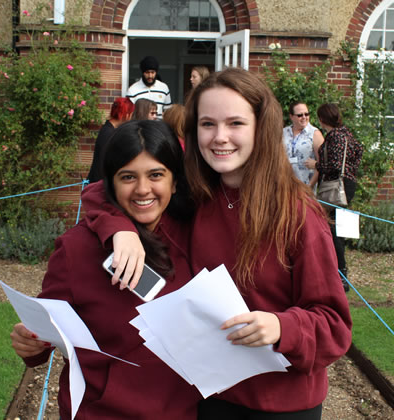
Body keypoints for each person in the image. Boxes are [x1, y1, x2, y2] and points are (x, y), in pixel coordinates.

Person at [82, 68, 352, 419]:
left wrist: (283, 327)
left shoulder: (298, 214)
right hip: (208, 396)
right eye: (208, 124)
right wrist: (121, 229)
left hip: (281, 404)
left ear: (260, 127)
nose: (220, 137)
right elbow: (99, 193)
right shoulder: (197, 195)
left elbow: (335, 325)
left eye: (235, 123)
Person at [9, 120, 199, 419]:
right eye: (128, 177)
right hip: (102, 412)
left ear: (175, 181)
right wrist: (31, 343)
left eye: (156, 175)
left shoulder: (195, 235)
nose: (142, 189)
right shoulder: (76, 249)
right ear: (111, 182)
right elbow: (46, 330)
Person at [305, 103, 363, 291]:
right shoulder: (347, 134)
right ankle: (339, 274)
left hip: (337, 187)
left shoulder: (336, 137)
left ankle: (341, 276)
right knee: (336, 229)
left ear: (322, 119)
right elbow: (358, 153)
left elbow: (336, 166)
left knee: (333, 229)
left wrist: (316, 165)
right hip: (347, 184)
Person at [88, 97, 134, 183]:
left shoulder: (109, 129)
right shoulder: (108, 134)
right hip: (99, 184)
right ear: (126, 114)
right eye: (131, 114)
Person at [283, 101, 324, 187]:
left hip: (305, 185)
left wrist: (309, 186)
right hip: (284, 185)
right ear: (291, 116)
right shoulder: (284, 132)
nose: (304, 117)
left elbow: (321, 163)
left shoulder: (314, 134)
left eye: (306, 114)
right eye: (300, 115)